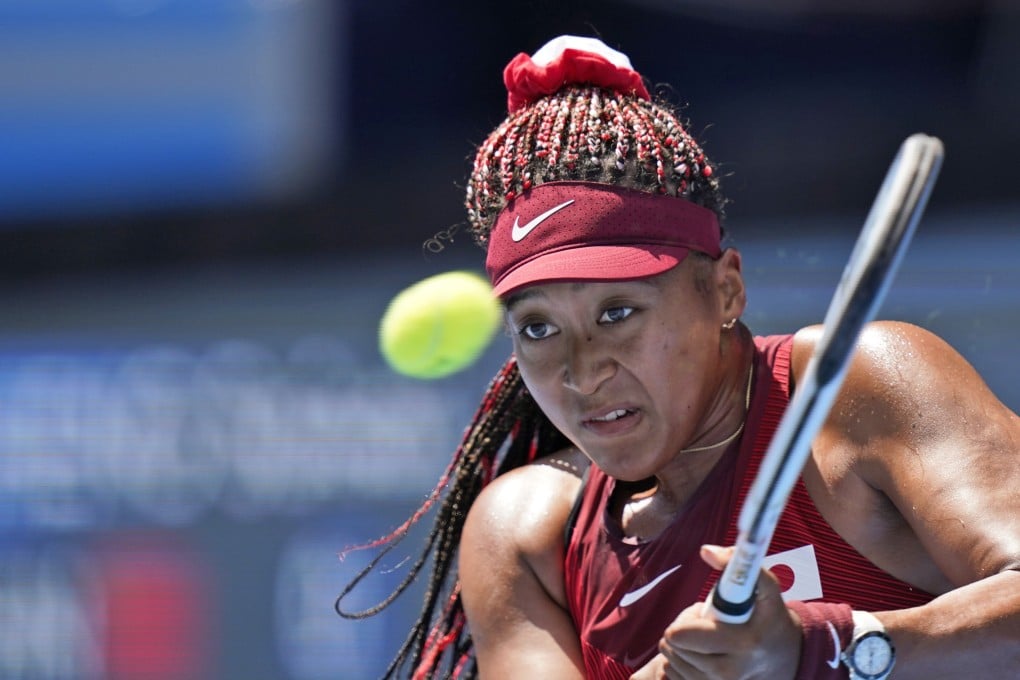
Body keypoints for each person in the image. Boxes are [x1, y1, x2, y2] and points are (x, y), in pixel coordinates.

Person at [337, 35, 1020, 679]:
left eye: (618, 314)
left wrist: (832, 648)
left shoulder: (858, 386)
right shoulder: (526, 535)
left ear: (724, 291)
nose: (582, 370)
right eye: (540, 330)